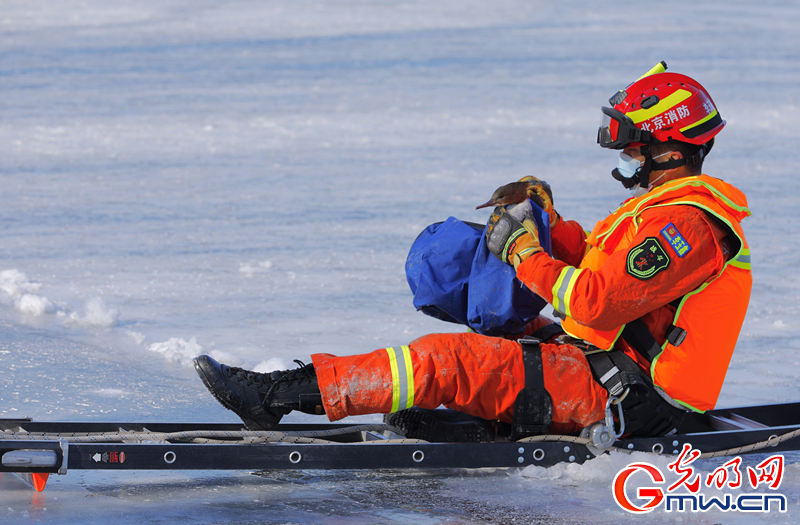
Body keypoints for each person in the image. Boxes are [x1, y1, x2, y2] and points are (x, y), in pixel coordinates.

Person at [194, 62, 752, 442]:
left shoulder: (688, 226)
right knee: (468, 358)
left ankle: (274, 396)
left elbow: (595, 301)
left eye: (634, 144)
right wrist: (541, 219)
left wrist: (525, 250)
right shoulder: (660, 211)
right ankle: (478, 425)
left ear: (666, 145)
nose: (627, 155)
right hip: (598, 369)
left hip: (629, 401)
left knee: (447, 360)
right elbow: (591, 259)